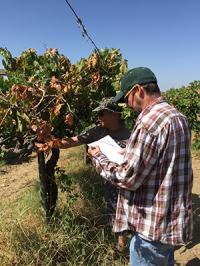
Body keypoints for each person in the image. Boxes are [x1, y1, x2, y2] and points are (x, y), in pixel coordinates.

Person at [88, 67, 193, 266]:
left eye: (126, 98)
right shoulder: (176, 116)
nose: (126, 105)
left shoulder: (148, 123)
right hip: (169, 219)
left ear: (138, 91)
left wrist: (99, 158)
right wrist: (129, 151)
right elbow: (162, 157)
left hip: (151, 227)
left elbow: (127, 177)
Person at [35, 97, 131, 251]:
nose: (98, 117)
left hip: (129, 180)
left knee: (130, 210)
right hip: (110, 181)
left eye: (101, 113)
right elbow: (74, 140)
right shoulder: (97, 131)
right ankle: (121, 245)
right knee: (113, 209)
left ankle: (131, 244)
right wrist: (51, 143)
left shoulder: (131, 133)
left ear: (114, 114)